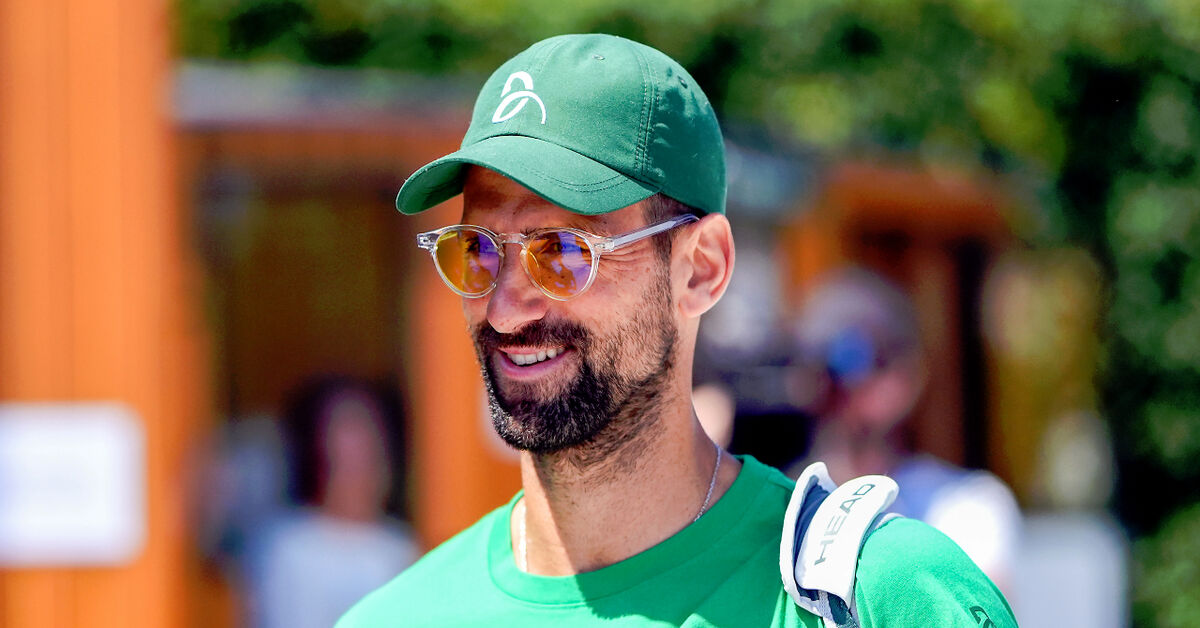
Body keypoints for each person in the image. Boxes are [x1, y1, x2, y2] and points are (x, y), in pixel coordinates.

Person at [339, 33, 1015, 627]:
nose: (506, 309)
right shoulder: (396, 618)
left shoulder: (882, 599)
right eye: (479, 251)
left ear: (702, 269)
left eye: (564, 252)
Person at [786, 268, 1023, 592]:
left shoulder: (967, 507)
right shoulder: (781, 505)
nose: (852, 381)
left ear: (912, 372)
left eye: (873, 358)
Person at [251, 376, 417, 628]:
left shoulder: (401, 548)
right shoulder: (290, 547)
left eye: (368, 455)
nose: (359, 471)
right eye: (346, 461)